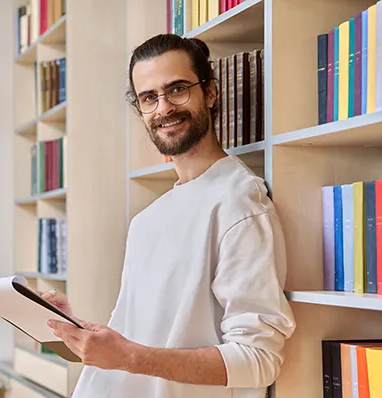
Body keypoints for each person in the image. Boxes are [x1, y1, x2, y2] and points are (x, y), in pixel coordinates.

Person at [40, 34, 296, 398]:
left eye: (177, 89)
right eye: (149, 98)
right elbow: (139, 341)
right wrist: (74, 330)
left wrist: (128, 356)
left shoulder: (240, 204)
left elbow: (258, 359)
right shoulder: (146, 220)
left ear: (210, 92)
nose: (164, 108)